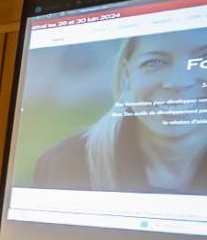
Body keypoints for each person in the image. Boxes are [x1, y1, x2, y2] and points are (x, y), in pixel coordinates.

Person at [33, 29, 207, 193]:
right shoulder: (64, 164)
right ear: (127, 75)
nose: (178, 81)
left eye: (203, 61)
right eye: (154, 62)